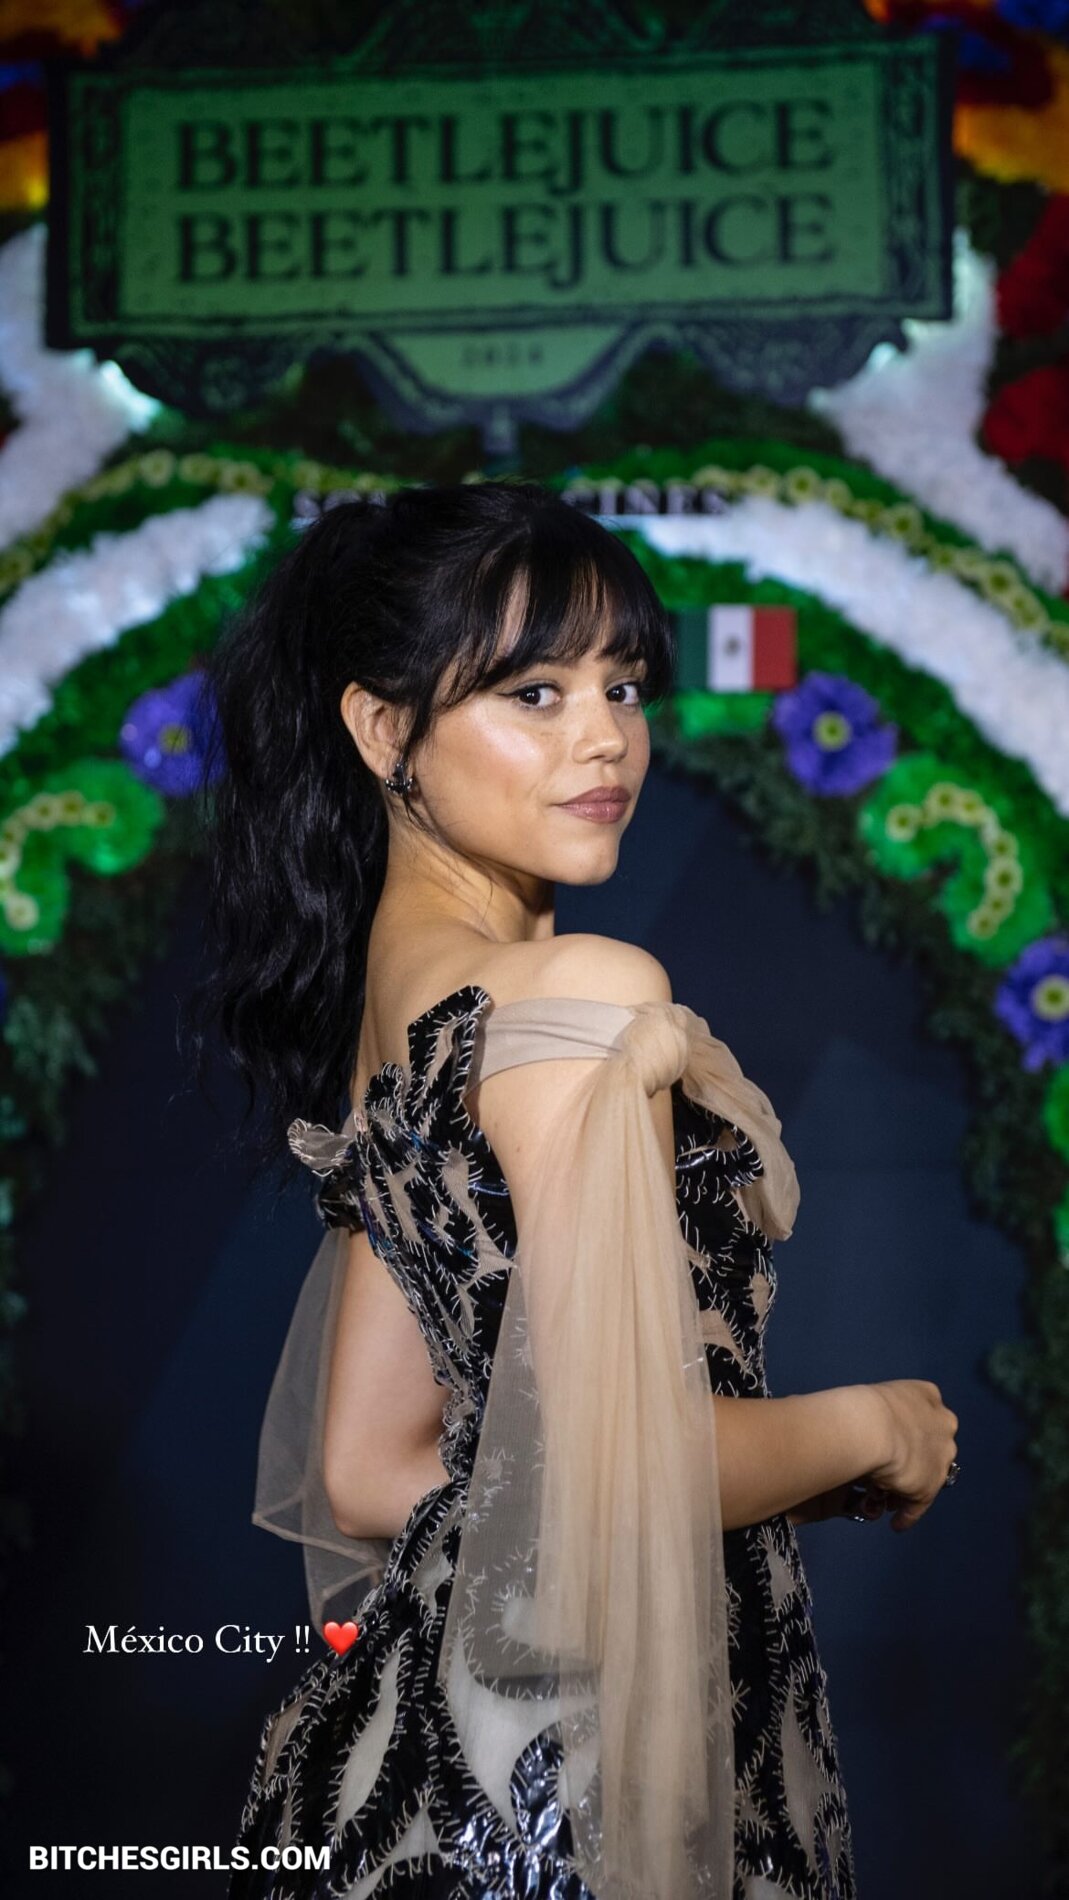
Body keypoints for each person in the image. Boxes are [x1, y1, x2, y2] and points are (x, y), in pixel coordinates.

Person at [187, 480, 959, 1900]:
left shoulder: (401, 1020)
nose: (604, 736)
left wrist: (752, 1471)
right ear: (383, 731)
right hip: (572, 1789)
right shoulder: (578, 997)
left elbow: (369, 1469)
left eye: (623, 685)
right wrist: (875, 1426)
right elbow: (621, 1468)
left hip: (409, 1786)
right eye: (533, 693)